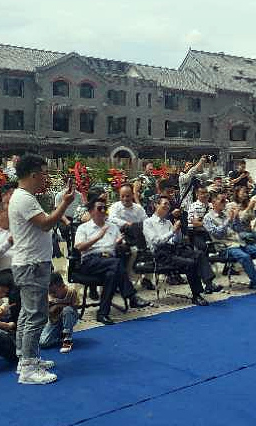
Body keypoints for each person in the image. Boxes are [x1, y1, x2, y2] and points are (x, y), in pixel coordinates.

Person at [8, 153, 76, 385]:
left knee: (28, 313)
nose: (46, 178)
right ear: (34, 174)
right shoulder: (24, 198)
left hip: (31, 262)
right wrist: (64, 203)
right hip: (32, 264)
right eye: (44, 174)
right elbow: (46, 224)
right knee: (36, 315)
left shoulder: (24, 197)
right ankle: (28, 366)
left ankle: (25, 358)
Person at [74, 197, 153, 325]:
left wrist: (119, 244)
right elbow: (79, 247)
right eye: (100, 208)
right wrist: (98, 236)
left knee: (112, 274)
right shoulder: (84, 228)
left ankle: (102, 314)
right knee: (116, 264)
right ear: (91, 211)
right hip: (90, 261)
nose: (103, 211)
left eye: (105, 208)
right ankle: (131, 296)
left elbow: (119, 245)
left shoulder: (112, 227)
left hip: (109, 260)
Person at [143, 197, 219, 301]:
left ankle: (209, 284)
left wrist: (178, 231)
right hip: (160, 254)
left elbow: (176, 240)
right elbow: (156, 242)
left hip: (174, 249)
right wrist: (173, 231)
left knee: (199, 254)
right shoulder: (148, 222)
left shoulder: (168, 222)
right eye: (165, 204)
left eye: (168, 204)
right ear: (156, 205)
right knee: (190, 263)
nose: (167, 206)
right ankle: (196, 295)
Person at [203, 194, 256, 295]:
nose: (224, 203)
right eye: (222, 201)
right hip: (225, 247)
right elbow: (217, 234)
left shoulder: (226, 214)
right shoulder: (208, 218)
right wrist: (229, 220)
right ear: (213, 203)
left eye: (225, 201)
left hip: (239, 243)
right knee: (245, 257)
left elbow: (239, 230)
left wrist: (236, 218)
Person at [107, 183, 148, 286]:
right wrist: (126, 224)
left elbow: (146, 222)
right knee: (129, 251)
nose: (125, 199)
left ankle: (146, 278)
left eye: (128, 196)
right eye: (122, 196)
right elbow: (111, 219)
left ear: (132, 196)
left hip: (138, 236)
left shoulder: (138, 208)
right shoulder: (115, 207)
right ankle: (126, 278)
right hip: (121, 236)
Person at [40, 272, 80, 353]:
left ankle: (67, 339)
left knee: (67, 310)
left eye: (54, 292)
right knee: (43, 343)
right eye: (50, 292)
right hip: (54, 320)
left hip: (69, 317)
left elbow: (75, 308)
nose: (52, 294)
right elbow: (47, 312)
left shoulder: (71, 292)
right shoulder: (48, 296)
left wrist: (58, 306)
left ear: (62, 286)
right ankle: (60, 335)